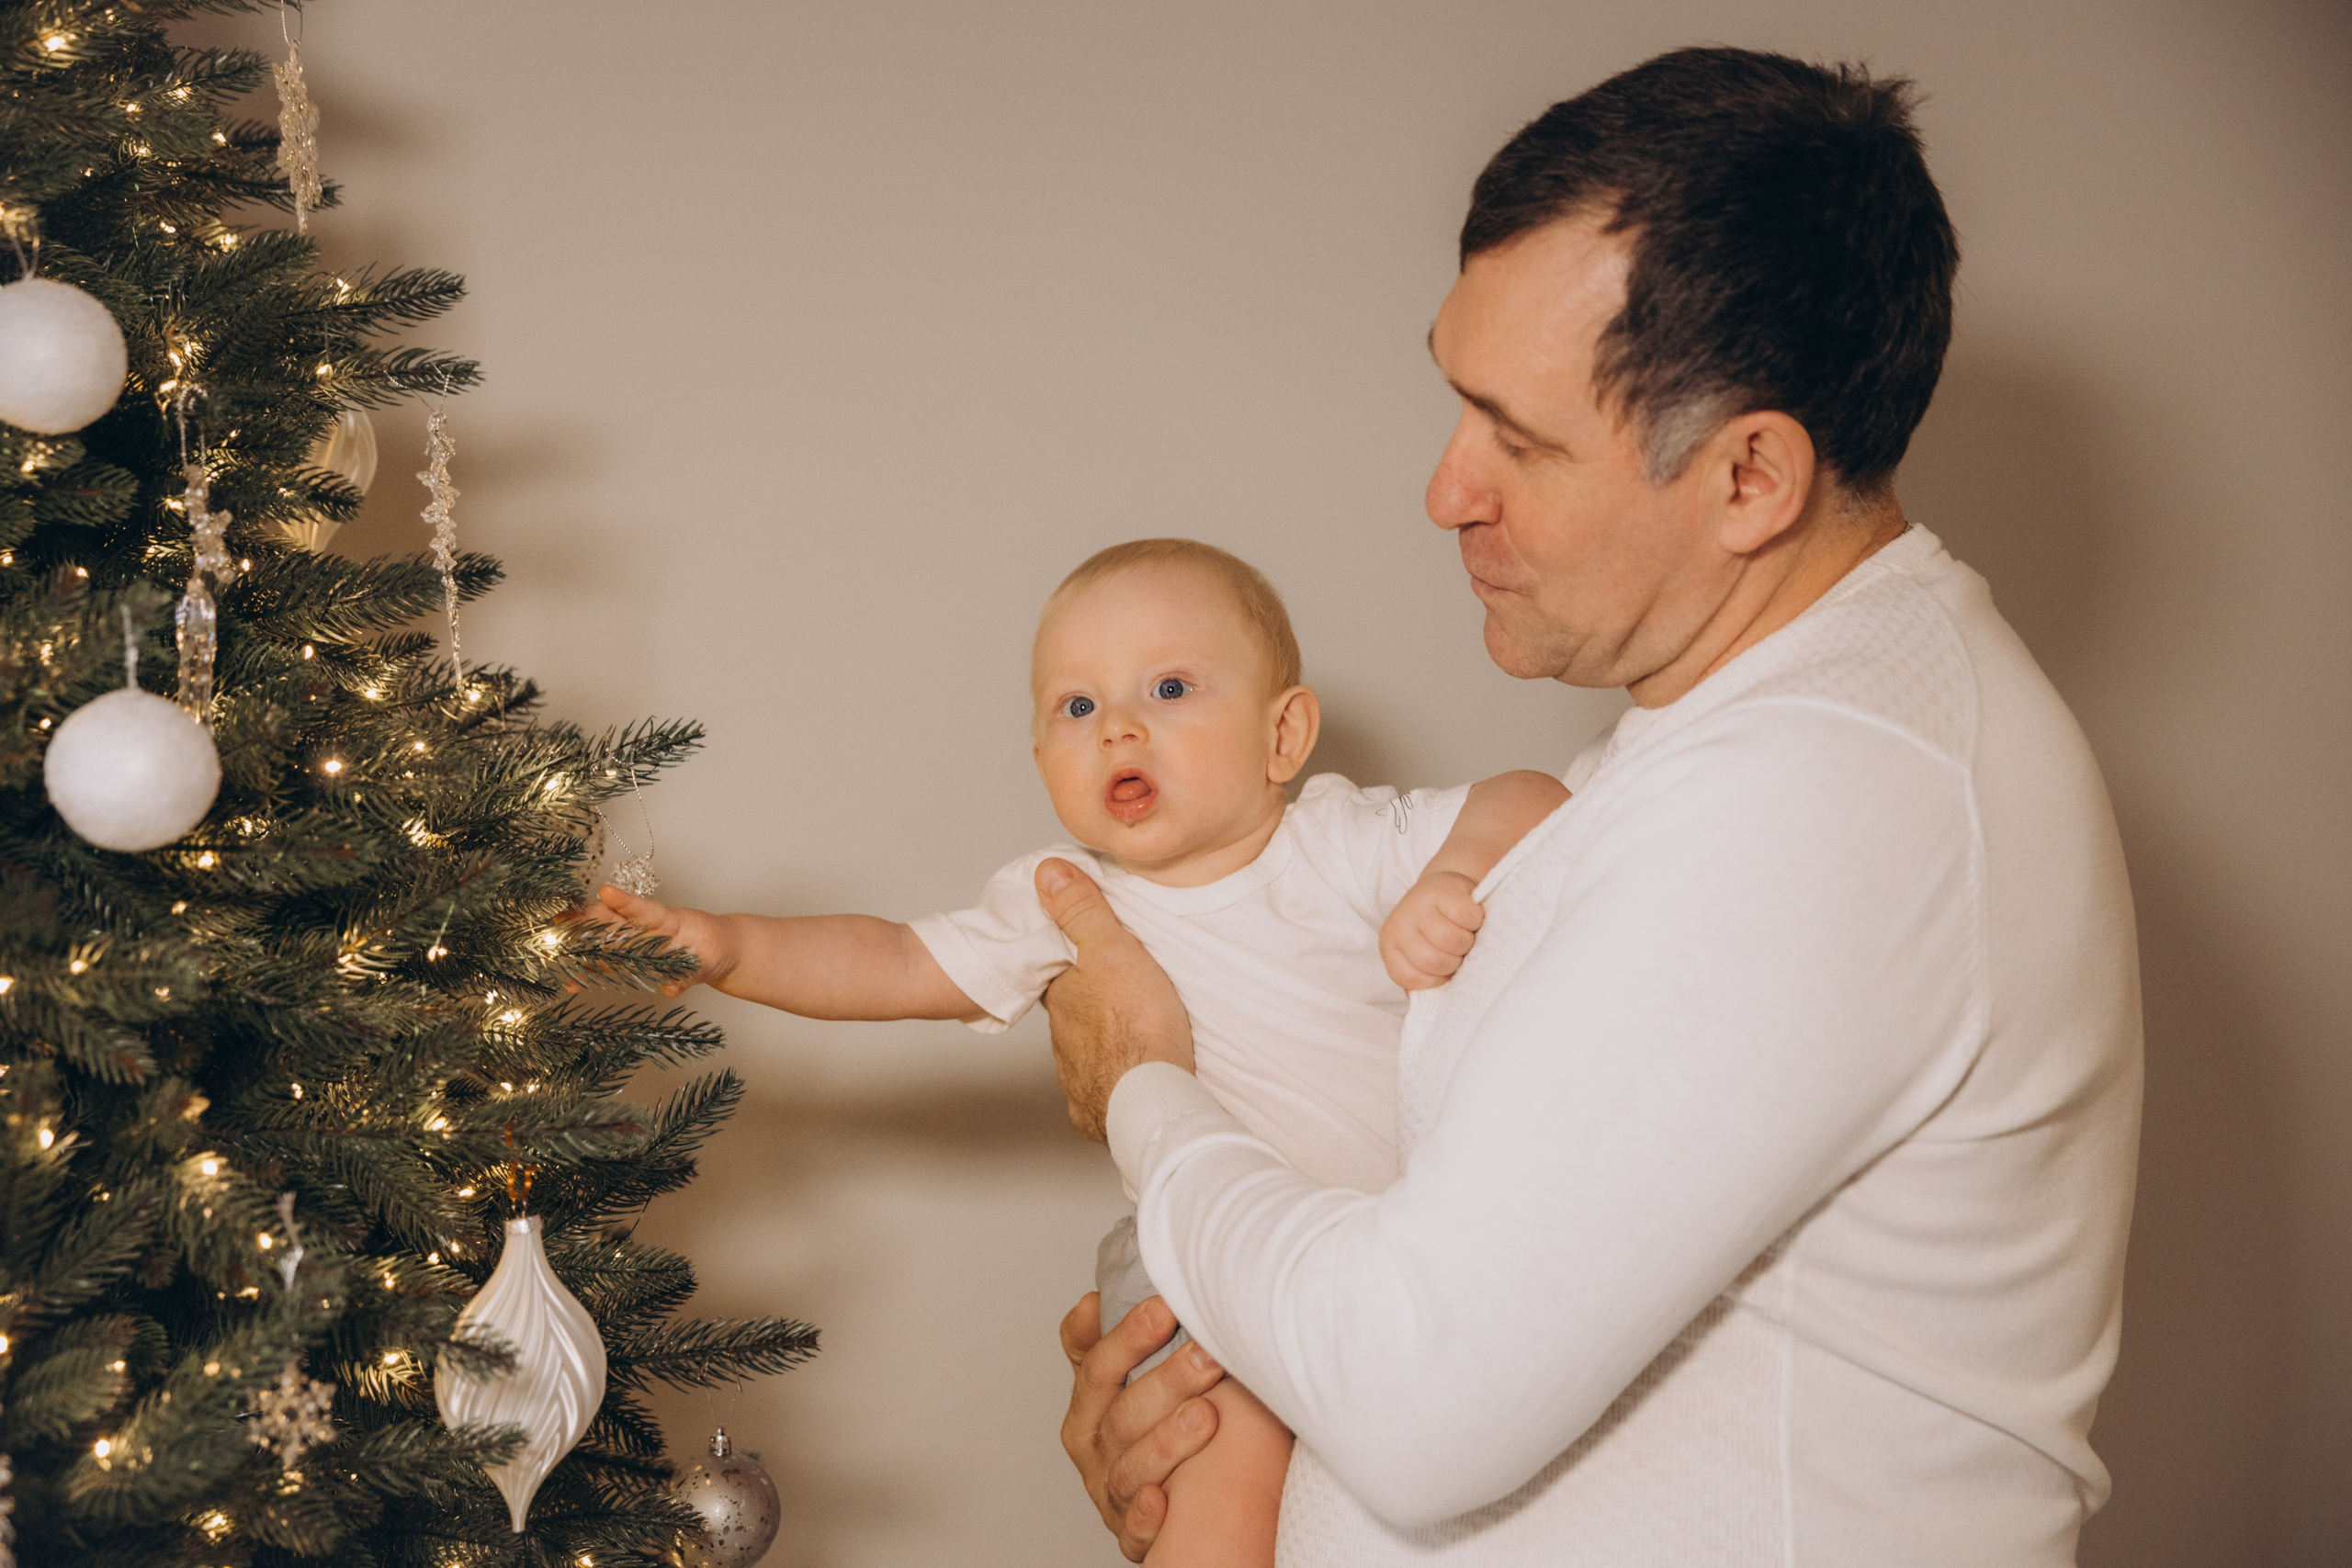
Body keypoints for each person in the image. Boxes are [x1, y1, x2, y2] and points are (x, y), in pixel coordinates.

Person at [1042, 46, 2143, 1568]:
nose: (1446, 489)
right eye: (1455, 400)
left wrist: (1147, 1094)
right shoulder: (1724, 738)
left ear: (1751, 478)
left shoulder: (1832, 794)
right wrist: (1208, 1437)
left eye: (1520, 436)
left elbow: (1415, 1400)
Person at [587, 537, 1566, 1566]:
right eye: (1077, 707)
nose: (1121, 727)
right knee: (1211, 1472)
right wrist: (731, 946)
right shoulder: (1062, 900)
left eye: (1171, 687)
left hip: (1389, 1233)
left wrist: (1447, 880)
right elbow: (897, 959)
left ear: (1284, 734)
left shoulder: (1341, 841)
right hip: (1190, 1267)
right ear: (1040, 758)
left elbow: (1529, 799)